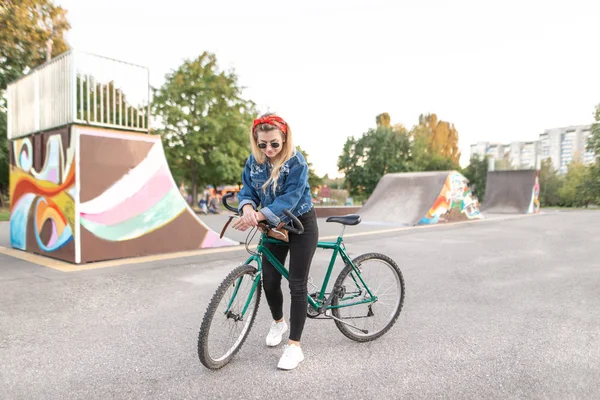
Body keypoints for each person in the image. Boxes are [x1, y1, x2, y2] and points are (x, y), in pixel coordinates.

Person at [232, 113, 318, 370]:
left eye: (274, 144)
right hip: (273, 225)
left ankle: (294, 346)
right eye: (262, 144)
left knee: (296, 284)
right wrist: (247, 206)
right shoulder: (254, 162)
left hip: (300, 222)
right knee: (269, 279)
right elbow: (246, 190)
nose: (268, 149)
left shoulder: (296, 162)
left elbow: (290, 199)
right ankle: (279, 322)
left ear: (285, 139)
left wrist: (258, 214)